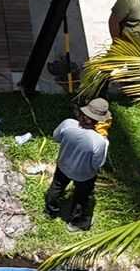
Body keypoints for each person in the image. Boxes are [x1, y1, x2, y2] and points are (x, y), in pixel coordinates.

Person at [46, 98, 111, 231]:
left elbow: (56, 137)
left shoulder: (68, 124)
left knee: (56, 187)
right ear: (100, 121)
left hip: (63, 166)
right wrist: (103, 139)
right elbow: (97, 164)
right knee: (81, 196)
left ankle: (50, 212)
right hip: (84, 175)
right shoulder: (99, 141)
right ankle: (75, 223)